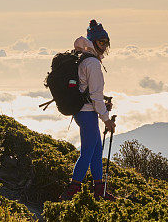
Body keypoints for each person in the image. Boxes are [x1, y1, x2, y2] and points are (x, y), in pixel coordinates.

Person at [60, 20, 117, 201]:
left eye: (106, 42)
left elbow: (91, 93)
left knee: (95, 152)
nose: (104, 46)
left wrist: (101, 108)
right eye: (101, 42)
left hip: (84, 112)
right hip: (86, 113)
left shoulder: (85, 58)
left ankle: (99, 189)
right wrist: (107, 119)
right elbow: (95, 95)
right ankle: (72, 191)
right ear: (93, 42)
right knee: (88, 153)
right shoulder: (92, 63)